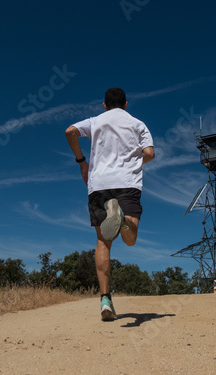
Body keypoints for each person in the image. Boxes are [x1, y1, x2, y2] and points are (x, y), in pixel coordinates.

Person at [65, 88, 155, 322]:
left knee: (103, 242)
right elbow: (150, 153)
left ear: (104, 104)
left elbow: (70, 131)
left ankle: (105, 300)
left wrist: (82, 162)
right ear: (126, 104)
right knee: (130, 240)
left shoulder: (95, 121)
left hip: (99, 185)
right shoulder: (138, 124)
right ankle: (122, 218)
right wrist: (134, 160)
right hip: (126, 183)